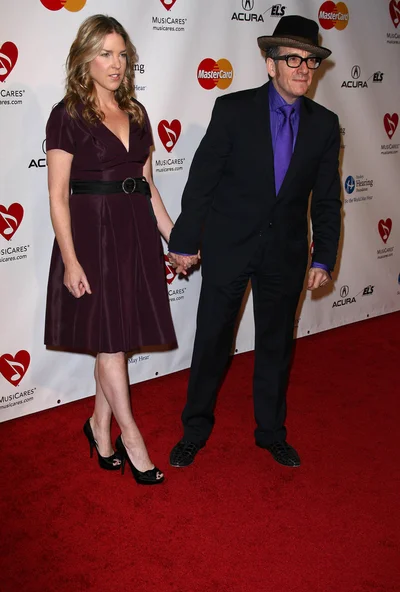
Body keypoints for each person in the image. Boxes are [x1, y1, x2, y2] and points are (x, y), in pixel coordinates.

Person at [168, 15, 341, 468]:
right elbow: (202, 181)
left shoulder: (325, 125)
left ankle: (270, 432)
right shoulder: (232, 109)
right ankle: (195, 429)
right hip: (230, 246)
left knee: (276, 345)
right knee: (212, 342)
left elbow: (325, 199)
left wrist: (323, 255)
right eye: (292, 59)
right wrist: (185, 240)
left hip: (285, 253)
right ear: (270, 64)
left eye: (311, 60)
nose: (304, 68)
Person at [45, 14, 178, 485]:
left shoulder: (137, 113)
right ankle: (132, 438)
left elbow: (147, 185)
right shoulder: (67, 115)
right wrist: (71, 259)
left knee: (113, 341)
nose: (116, 63)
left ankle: (99, 425)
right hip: (92, 239)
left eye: (122, 53)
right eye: (105, 53)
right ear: (85, 58)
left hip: (135, 235)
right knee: (111, 342)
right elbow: (58, 195)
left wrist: (175, 240)